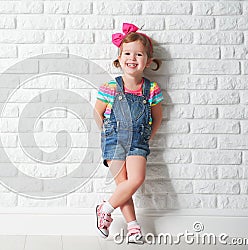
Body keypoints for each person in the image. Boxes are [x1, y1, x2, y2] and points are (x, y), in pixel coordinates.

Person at [93, 23, 164, 242]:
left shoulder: (151, 89)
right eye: (127, 53)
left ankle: (105, 207)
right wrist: (107, 134)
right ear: (119, 57)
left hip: (138, 141)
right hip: (114, 140)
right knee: (122, 182)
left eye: (139, 54)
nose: (132, 58)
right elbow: (97, 113)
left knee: (136, 179)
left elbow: (157, 117)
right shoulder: (110, 87)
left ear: (148, 61)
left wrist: (148, 137)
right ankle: (133, 227)